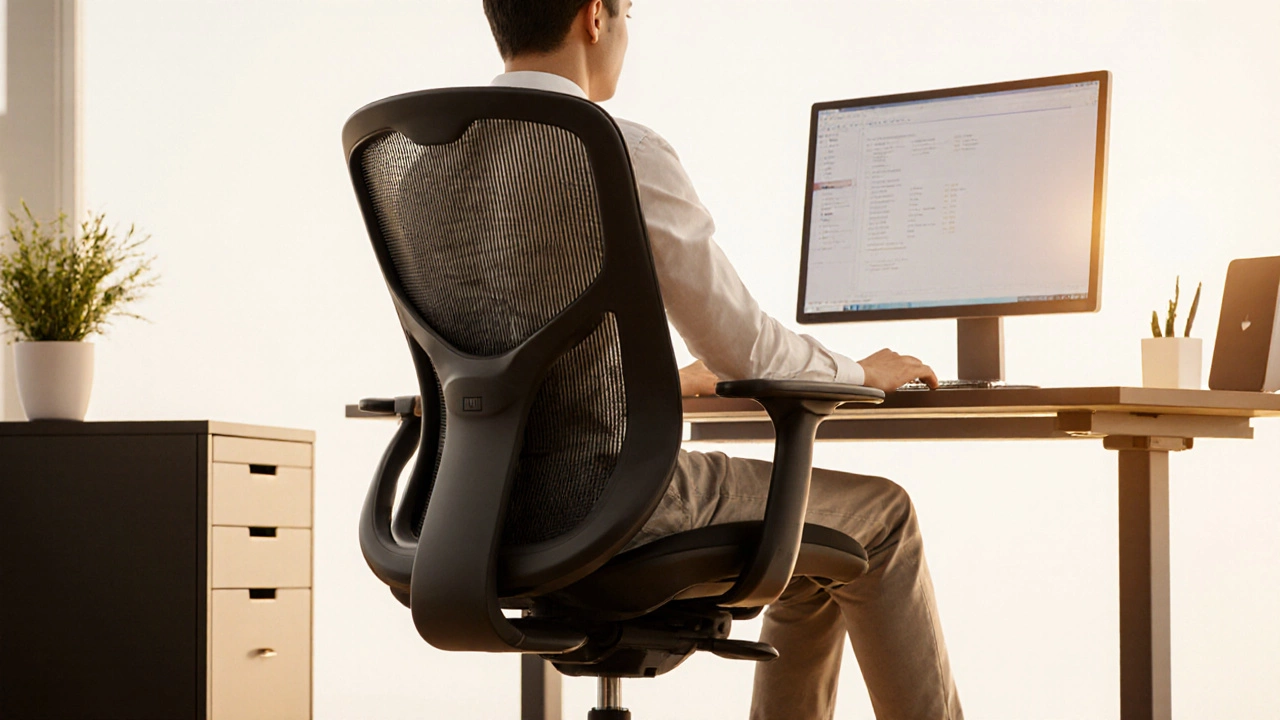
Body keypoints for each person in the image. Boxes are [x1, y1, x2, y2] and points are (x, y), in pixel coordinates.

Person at [481, 1, 963, 718]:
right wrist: (863, 373)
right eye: (629, 11)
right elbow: (746, 349)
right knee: (884, 518)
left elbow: (503, 348)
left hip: (482, 505)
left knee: (811, 554)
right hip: (615, 500)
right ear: (594, 16)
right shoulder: (613, 148)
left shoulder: (433, 154)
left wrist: (658, 383)